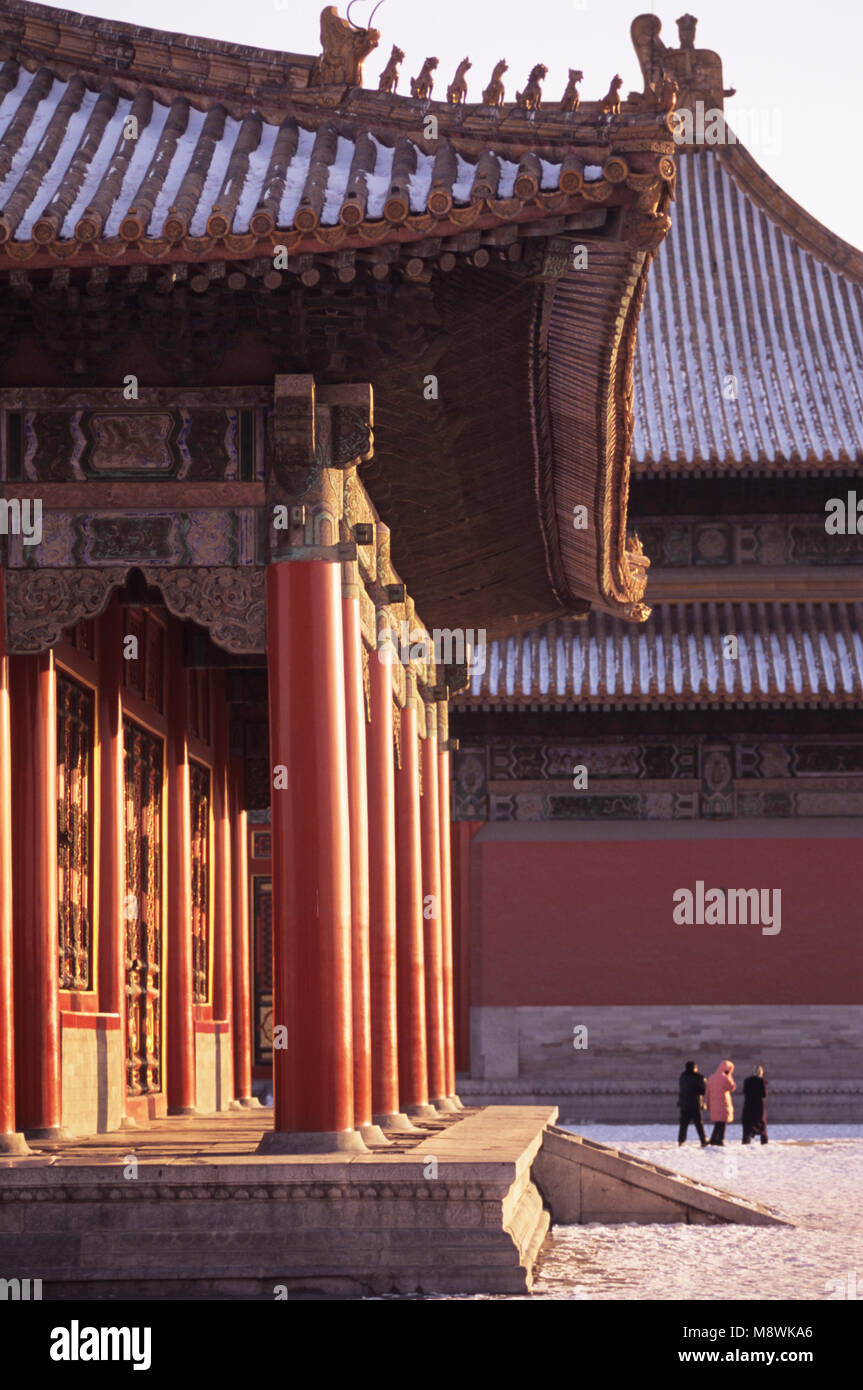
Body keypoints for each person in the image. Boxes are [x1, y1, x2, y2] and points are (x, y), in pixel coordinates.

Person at [705, 1059, 736, 1146]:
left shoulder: (711, 1077)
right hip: (723, 1104)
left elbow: (707, 1092)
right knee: (722, 1123)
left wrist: (708, 1104)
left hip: (714, 1104)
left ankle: (714, 1139)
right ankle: (720, 1139)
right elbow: (732, 1087)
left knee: (718, 1123)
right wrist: (730, 1076)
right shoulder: (725, 1078)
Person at [677, 1060, 708, 1146]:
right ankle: (703, 1140)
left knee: (683, 1124)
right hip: (695, 1104)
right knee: (699, 1124)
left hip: (684, 1104)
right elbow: (703, 1091)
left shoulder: (683, 1077)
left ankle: (681, 1141)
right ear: (695, 1068)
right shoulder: (699, 1077)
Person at [741, 1065, 769, 1144]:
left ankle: (746, 1141)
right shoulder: (762, 1081)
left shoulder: (747, 1081)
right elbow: (764, 1094)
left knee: (748, 1125)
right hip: (759, 1107)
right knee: (761, 1124)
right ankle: (764, 1142)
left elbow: (744, 1092)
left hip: (748, 1106)